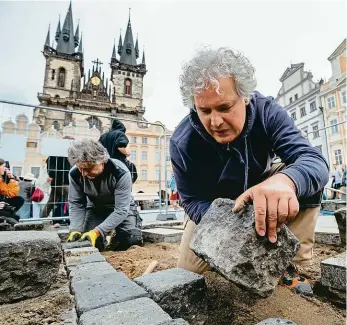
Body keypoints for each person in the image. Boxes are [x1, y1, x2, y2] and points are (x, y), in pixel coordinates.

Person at [170, 47, 329, 296]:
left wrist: (285, 181)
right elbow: (190, 199)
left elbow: (314, 161)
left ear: (244, 97)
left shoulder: (267, 112)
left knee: (301, 175)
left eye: (224, 107)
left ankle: (288, 264)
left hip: (262, 190)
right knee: (187, 275)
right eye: (205, 111)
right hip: (215, 209)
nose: (215, 122)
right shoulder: (183, 142)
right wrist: (226, 223)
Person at [66, 138, 143, 251]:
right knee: (87, 241)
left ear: (101, 162)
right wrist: (75, 229)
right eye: (80, 168)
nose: (84, 173)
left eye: (88, 168)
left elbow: (121, 209)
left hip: (122, 209)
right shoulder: (74, 174)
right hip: (95, 208)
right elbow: (77, 203)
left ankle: (117, 238)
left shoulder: (120, 173)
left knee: (131, 239)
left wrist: (98, 231)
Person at [99, 119, 138, 184]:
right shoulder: (119, 133)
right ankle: (127, 186)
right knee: (132, 168)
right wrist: (127, 153)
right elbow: (120, 147)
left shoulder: (103, 136)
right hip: (118, 164)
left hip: (104, 164)